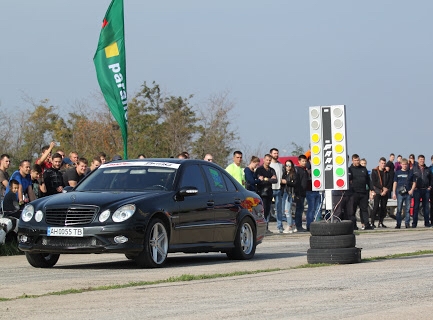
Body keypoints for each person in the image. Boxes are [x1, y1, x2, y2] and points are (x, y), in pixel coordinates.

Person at [350, 154, 374, 230]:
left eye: (358, 160)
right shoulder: (349, 169)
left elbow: (368, 180)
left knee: (364, 209)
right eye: (355, 160)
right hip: (354, 193)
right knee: (352, 210)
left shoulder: (363, 169)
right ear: (352, 161)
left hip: (363, 192)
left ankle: (366, 224)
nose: (357, 162)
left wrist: (371, 189)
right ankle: (353, 225)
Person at [255, 154, 277, 233]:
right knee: (262, 211)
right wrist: (269, 179)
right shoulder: (259, 169)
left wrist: (266, 179)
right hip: (261, 192)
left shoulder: (271, 170)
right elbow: (258, 179)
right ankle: (261, 228)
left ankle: (266, 228)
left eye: (270, 160)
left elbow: (275, 180)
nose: (268, 162)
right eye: (267, 160)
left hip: (269, 192)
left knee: (268, 211)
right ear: (263, 160)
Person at [392, 158, 415, 228]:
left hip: (408, 193)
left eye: (406, 164)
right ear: (401, 164)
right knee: (399, 209)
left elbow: (414, 182)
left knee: (407, 209)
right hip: (400, 193)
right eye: (403, 164)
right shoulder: (397, 172)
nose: (405, 166)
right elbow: (395, 183)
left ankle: (407, 223)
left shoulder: (410, 173)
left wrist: (412, 190)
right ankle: (398, 224)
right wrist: (394, 193)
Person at [370, 157, 392, 228]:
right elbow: (374, 182)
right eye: (382, 163)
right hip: (377, 191)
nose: (383, 165)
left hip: (385, 192)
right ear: (379, 163)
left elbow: (389, 182)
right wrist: (382, 188)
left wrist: (386, 190)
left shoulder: (387, 172)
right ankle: (372, 222)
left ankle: (381, 222)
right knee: (376, 207)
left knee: (383, 208)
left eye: (384, 163)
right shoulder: (374, 171)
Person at [411, 155, 432, 228]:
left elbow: (431, 179)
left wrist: (430, 186)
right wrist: (413, 187)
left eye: (423, 159)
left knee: (426, 207)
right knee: (416, 207)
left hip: (425, 190)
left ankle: (427, 223)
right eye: (420, 159)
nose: (422, 161)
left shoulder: (427, 169)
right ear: (418, 160)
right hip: (417, 190)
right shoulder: (414, 169)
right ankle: (414, 223)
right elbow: (410, 179)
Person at [269, 148, 284, 233]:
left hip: (278, 189)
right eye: (274, 153)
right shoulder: (269, 165)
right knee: (267, 209)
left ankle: (280, 226)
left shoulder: (280, 165)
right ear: (271, 154)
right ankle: (266, 227)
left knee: (279, 209)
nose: (276, 155)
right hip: (270, 189)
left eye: (277, 153)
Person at [305, 156, 322, 231]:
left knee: (318, 209)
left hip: (319, 190)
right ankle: (309, 225)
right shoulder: (307, 168)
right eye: (312, 160)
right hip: (310, 190)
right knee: (311, 209)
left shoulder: (319, 167)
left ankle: (318, 225)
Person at [281, 159, 297, 233]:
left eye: (289, 165)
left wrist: (287, 182)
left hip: (290, 193)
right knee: (285, 211)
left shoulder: (293, 174)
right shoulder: (284, 173)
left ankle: (289, 225)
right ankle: (293, 225)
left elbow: (295, 184)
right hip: (284, 192)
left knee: (287, 210)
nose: (288, 167)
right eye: (286, 165)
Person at [294, 154, 309, 232]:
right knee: (299, 210)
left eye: (305, 161)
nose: (304, 163)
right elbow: (297, 182)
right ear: (299, 161)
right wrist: (297, 193)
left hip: (304, 193)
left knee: (301, 209)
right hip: (299, 193)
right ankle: (298, 226)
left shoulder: (305, 170)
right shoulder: (297, 170)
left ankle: (299, 226)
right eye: (302, 161)